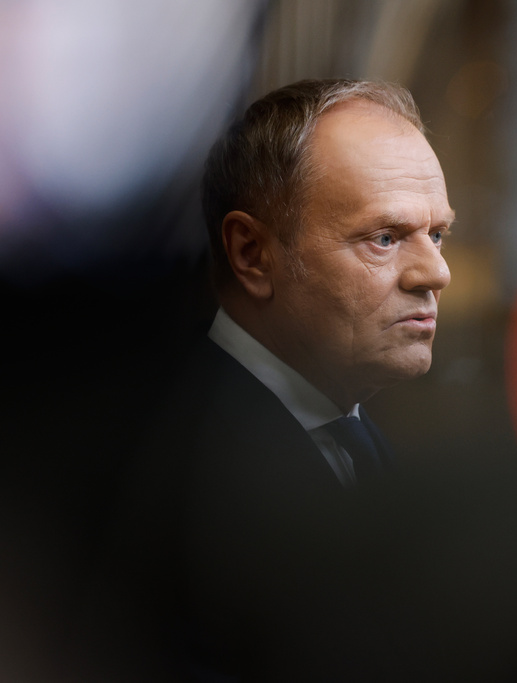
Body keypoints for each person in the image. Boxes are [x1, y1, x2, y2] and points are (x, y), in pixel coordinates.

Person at [93, 79, 454, 680]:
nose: (436, 272)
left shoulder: (363, 438)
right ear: (253, 254)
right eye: (384, 238)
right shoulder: (175, 476)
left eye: (437, 234)